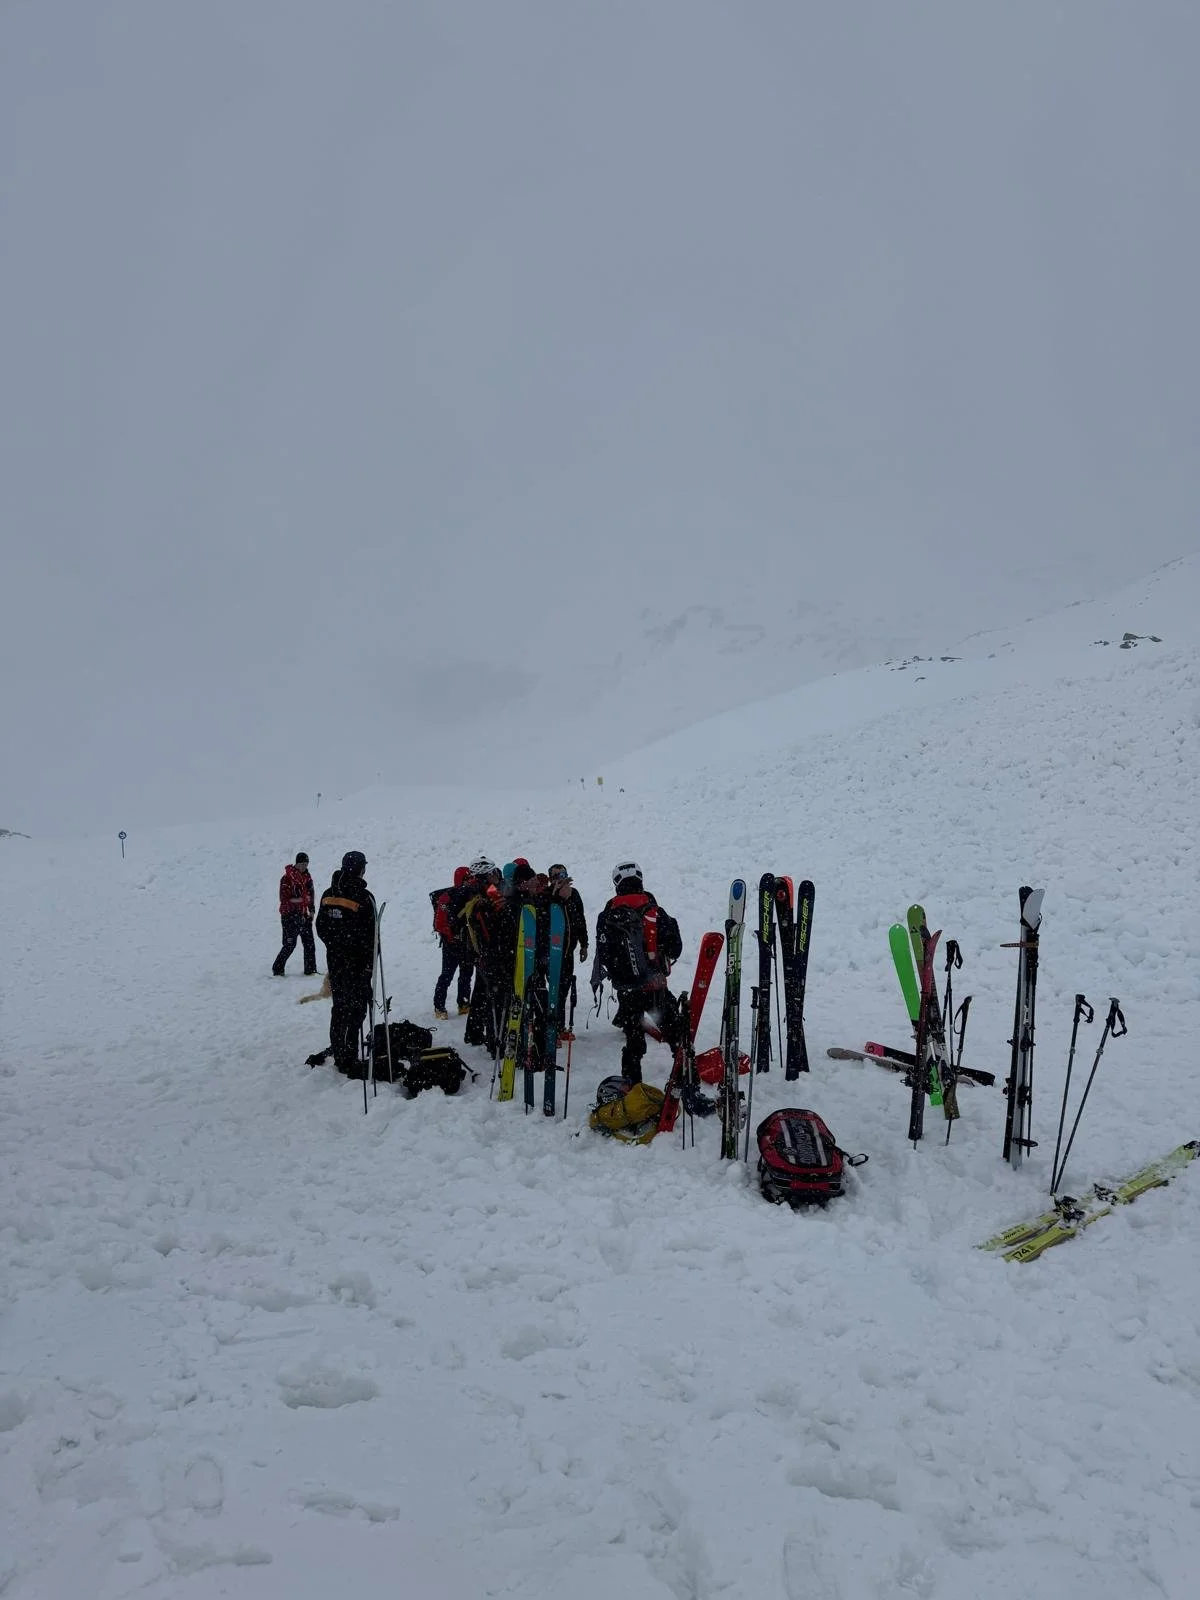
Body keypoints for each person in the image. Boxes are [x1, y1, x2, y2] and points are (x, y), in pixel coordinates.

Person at [591, 861, 683, 1084]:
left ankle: (632, 1085)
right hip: (655, 988)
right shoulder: (656, 912)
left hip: (626, 990)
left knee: (633, 1042)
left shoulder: (607, 915)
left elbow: (603, 954)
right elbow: (675, 948)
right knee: (677, 1036)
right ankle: (685, 1080)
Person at [315, 851, 377, 1076]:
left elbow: (321, 927)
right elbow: (371, 936)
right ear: (361, 869)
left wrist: (336, 946)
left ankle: (341, 1050)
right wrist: (367, 961)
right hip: (357, 964)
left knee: (340, 1007)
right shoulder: (364, 897)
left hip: (336, 962)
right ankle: (347, 1056)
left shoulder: (328, 894)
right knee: (356, 1008)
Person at [547, 864, 587, 1036]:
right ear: (551, 879)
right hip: (552, 952)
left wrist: (584, 944)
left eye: (563, 874)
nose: (560, 879)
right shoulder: (547, 896)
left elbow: (580, 920)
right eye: (556, 876)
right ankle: (551, 1027)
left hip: (568, 951)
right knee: (554, 990)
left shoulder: (574, 894)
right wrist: (557, 897)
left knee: (564, 989)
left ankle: (559, 1026)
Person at [432, 865, 475, 1019]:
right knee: (447, 975)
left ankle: (463, 1004)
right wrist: (452, 936)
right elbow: (439, 923)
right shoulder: (446, 898)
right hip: (451, 944)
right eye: (467, 878)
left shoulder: (471, 895)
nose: (469, 881)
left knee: (466, 974)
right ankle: (439, 1006)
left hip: (466, 943)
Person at [272, 852, 317, 976]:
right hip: (289, 915)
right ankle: (278, 969)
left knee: (309, 944)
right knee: (289, 944)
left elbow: (311, 894)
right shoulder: (287, 878)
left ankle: (311, 970)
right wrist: (301, 900)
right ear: (297, 863)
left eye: (306, 864)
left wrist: (312, 910)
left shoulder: (307, 877)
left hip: (304, 914)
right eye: (302, 864)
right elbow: (284, 899)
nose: (304, 866)